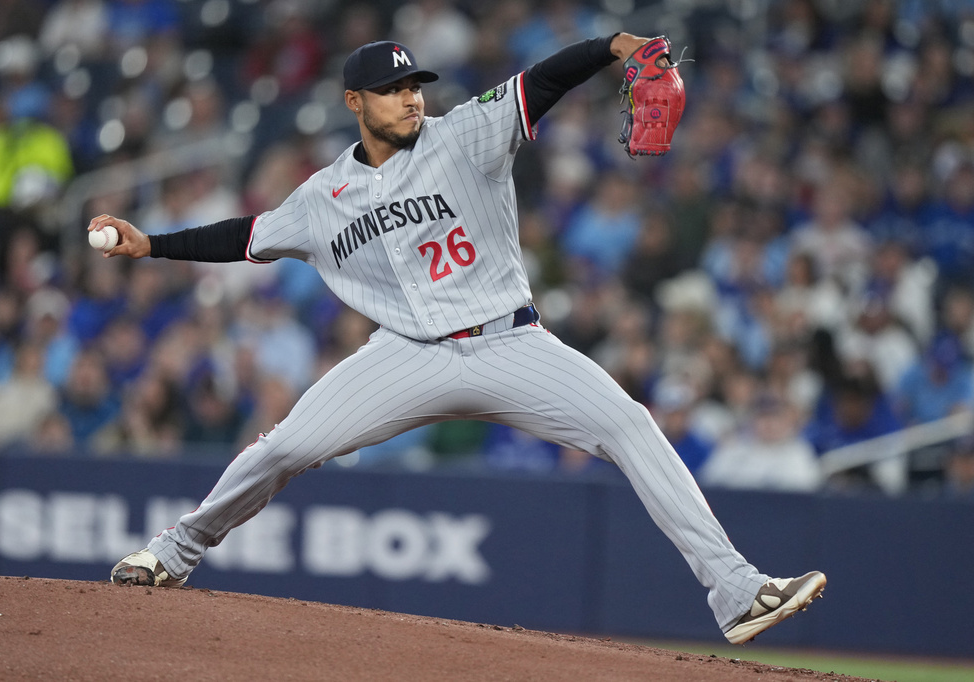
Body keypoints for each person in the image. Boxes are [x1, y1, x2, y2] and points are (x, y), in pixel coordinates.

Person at [92, 36, 825, 645]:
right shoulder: (322, 197)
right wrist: (150, 244)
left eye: (415, 84)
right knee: (285, 446)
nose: (411, 96)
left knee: (630, 423)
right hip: (406, 354)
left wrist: (612, 48)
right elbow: (246, 236)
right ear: (355, 103)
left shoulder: (466, 132)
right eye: (392, 88)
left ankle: (736, 591)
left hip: (512, 343)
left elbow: (540, 83)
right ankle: (174, 552)